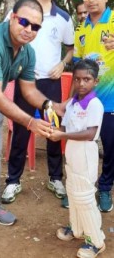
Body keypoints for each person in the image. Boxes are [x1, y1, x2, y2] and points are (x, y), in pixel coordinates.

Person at [0, 0, 64, 226]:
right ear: (11, 18)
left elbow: (29, 91)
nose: (29, 30)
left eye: (35, 26)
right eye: (24, 22)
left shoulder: (27, 53)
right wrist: (30, 122)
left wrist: (50, 106)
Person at [1, 0, 74, 204]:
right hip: (25, 82)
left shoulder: (63, 18)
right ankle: (13, 181)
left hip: (50, 84)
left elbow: (72, 48)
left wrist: (63, 64)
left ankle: (55, 178)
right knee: (21, 129)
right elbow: (5, 40)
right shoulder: (17, 13)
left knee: (53, 130)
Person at [49, 59, 105, 258]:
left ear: (95, 81)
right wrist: (52, 130)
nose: (81, 83)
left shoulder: (95, 104)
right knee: (73, 191)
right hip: (72, 150)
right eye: (78, 79)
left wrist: (62, 136)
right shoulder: (72, 102)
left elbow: (90, 134)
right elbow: (65, 126)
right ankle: (77, 229)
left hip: (85, 152)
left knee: (84, 196)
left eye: (87, 79)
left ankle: (96, 240)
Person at [69, 0, 114, 213]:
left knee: (110, 148)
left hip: (111, 101)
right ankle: (80, 189)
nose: (92, 0)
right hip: (86, 102)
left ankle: (105, 188)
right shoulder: (81, 30)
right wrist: (69, 101)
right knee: (82, 148)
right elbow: (77, 70)